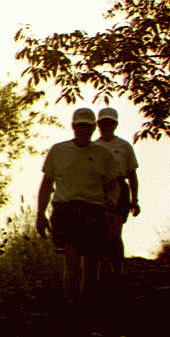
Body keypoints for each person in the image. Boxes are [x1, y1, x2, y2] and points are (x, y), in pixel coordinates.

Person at [36, 107, 119, 318]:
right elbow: (47, 184)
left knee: (91, 261)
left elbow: (113, 184)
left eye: (88, 127)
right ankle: (72, 304)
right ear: (73, 127)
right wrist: (40, 213)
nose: (84, 130)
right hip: (66, 208)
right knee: (71, 259)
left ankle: (87, 305)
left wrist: (112, 201)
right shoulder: (58, 151)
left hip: (93, 208)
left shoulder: (103, 154)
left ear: (93, 128)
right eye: (80, 126)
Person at [95, 108, 140, 282]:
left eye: (110, 123)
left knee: (115, 231)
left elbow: (132, 175)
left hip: (120, 188)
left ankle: (118, 270)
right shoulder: (94, 147)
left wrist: (134, 200)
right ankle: (103, 270)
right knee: (100, 232)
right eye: (103, 123)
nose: (106, 126)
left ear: (115, 124)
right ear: (98, 125)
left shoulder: (124, 146)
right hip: (98, 189)